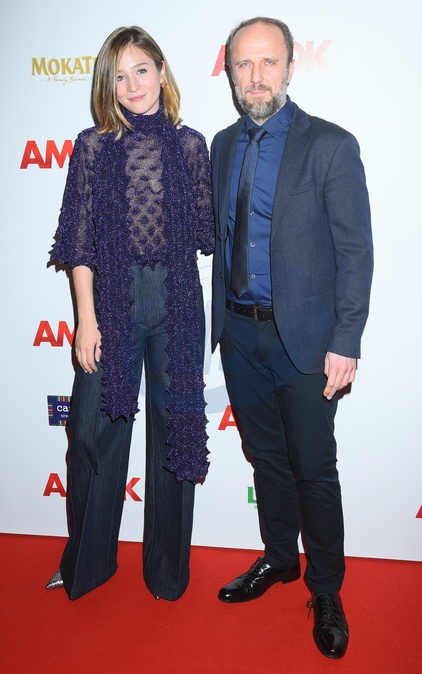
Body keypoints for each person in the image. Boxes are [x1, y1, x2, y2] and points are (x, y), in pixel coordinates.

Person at [211, 17, 373, 659]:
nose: (256, 77)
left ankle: (326, 588)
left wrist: (346, 338)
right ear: (230, 72)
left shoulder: (330, 145)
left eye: (268, 62)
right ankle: (279, 558)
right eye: (243, 65)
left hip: (304, 342)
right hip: (239, 335)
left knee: (314, 468)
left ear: (290, 66)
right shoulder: (222, 145)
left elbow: (354, 250)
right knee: (266, 460)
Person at [46, 25, 214, 601]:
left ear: (162, 73)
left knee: (175, 432)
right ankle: (87, 565)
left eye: (141, 70)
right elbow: (79, 244)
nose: (132, 84)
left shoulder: (191, 147)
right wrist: (86, 320)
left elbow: (203, 237)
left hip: (178, 301)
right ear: (107, 85)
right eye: (119, 76)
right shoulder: (92, 147)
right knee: (93, 433)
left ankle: (166, 573)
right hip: (112, 302)